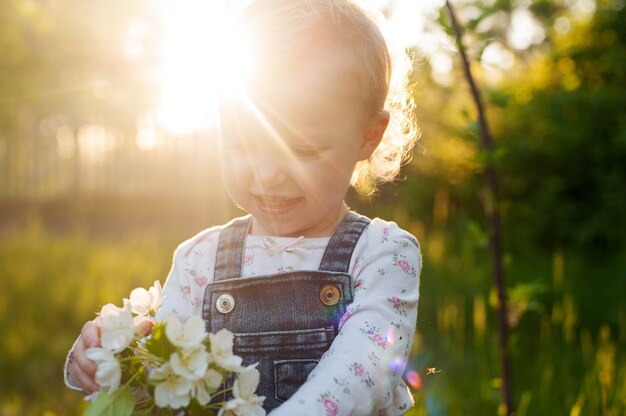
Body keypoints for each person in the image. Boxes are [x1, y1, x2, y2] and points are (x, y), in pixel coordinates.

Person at [64, 0, 422, 414]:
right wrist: (100, 358)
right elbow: (163, 378)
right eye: (242, 143)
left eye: (301, 149)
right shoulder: (201, 259)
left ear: (367, 136)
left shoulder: (381, 254)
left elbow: (364, 372)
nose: (267, 175)